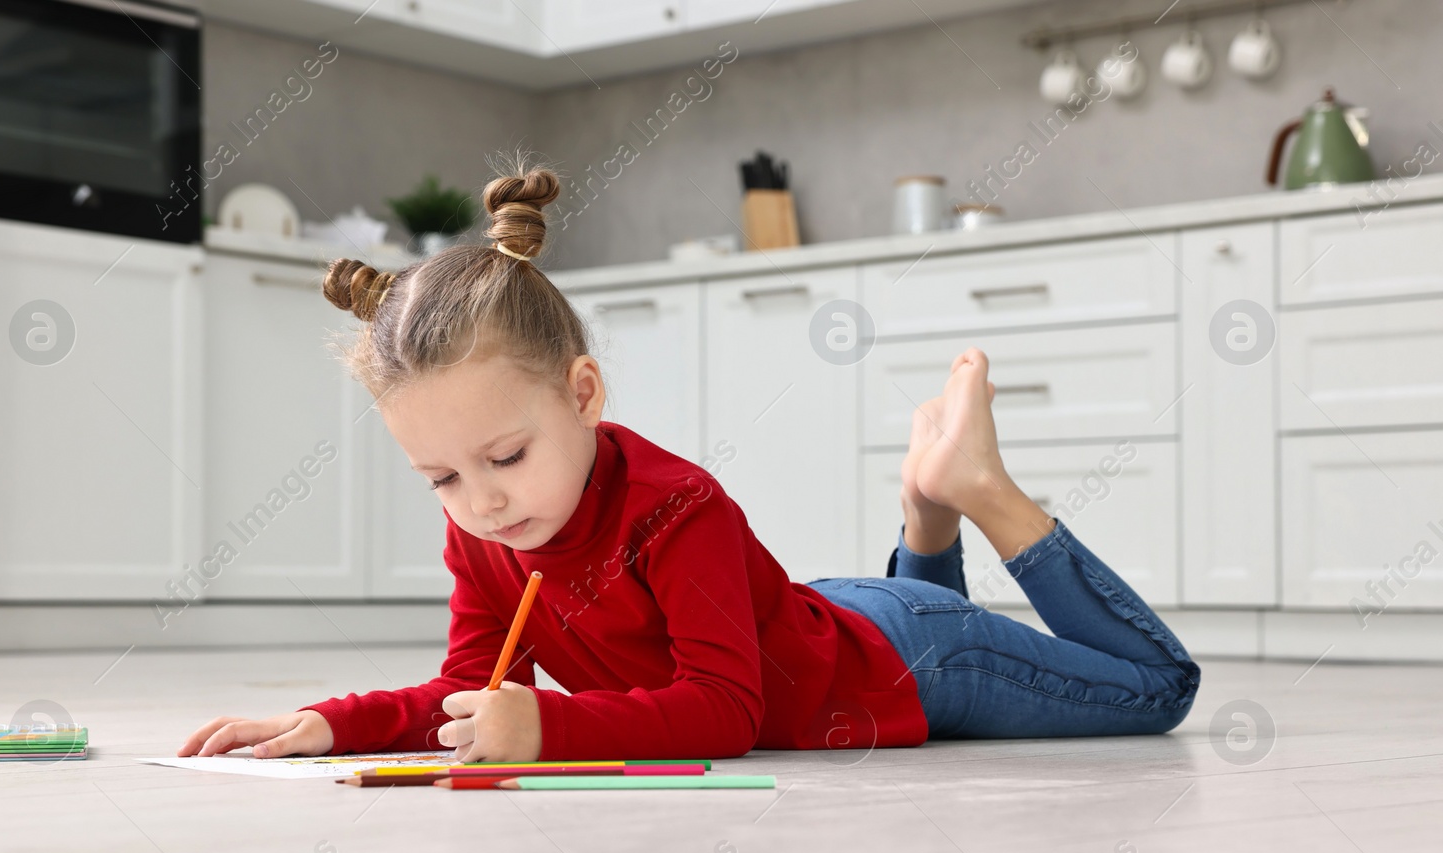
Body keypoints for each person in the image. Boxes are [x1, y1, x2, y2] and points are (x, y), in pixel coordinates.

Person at [178, 164, 1199, 764]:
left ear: (582, 396)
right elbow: (467, 690)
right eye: (440, 478)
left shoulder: (677, 510)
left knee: (1156, 689)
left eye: (505, 456)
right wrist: (329, 722)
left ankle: (979, 492)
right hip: (819, 618)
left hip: (916, 660)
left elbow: (727, 709)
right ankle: (923, 509)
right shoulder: (486, 526)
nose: (480, 502)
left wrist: (544, 725)